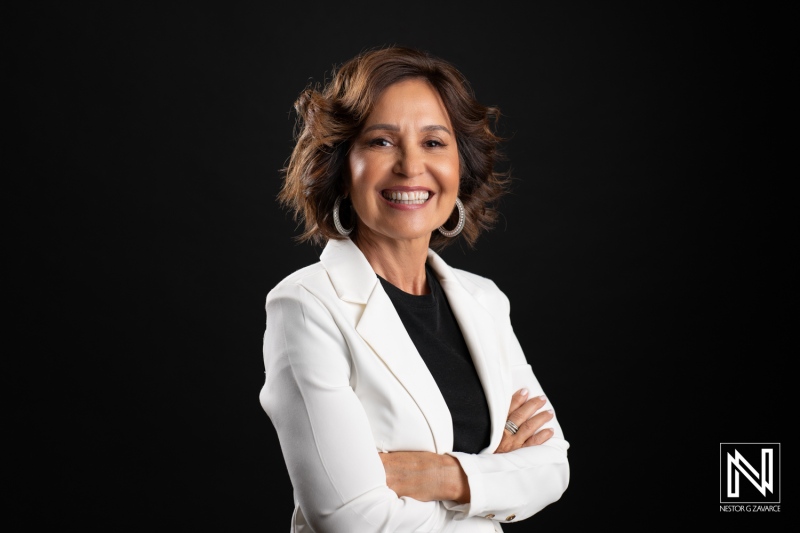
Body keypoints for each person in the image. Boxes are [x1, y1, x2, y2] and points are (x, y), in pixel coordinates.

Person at [259, 45, 569, 532]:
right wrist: (495, 473)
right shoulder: (305, 306)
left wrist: (441, 475)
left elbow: (552, 468)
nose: (409, 166)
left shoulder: (483, 300)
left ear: (460, 166)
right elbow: (350, 518)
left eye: (434, 142)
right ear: (342, 167)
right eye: (381, 142)